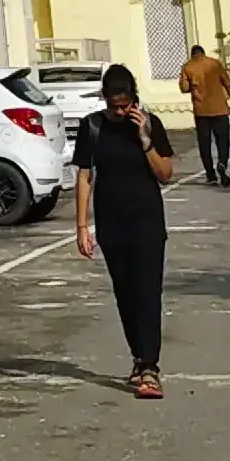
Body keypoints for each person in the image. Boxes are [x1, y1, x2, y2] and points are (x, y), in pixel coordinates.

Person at [74, 61, 176, 398]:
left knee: (148, 293)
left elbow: (165, 173)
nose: (120, 112)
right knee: (126, 296)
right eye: (113, 106)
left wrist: (145, 138)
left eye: (126, 105)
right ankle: (138, 357)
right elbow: (85, 176)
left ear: (134, 98)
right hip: (111, 224)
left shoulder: (150, 124)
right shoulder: (92, 127)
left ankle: (150, 367)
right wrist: (81, 227)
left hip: (147, 221)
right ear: (103, 99)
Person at [176, 40, 230, 186]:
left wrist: (191, 83)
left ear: (193, 55)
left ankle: (211, 176)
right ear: (203, 53)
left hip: (201, 112)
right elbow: (227, 84)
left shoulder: (188, 67)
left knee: (205, 144)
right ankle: (222, 163)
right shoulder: (215, 64)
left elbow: (184, 88)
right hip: (220, 109)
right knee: (223, 141)